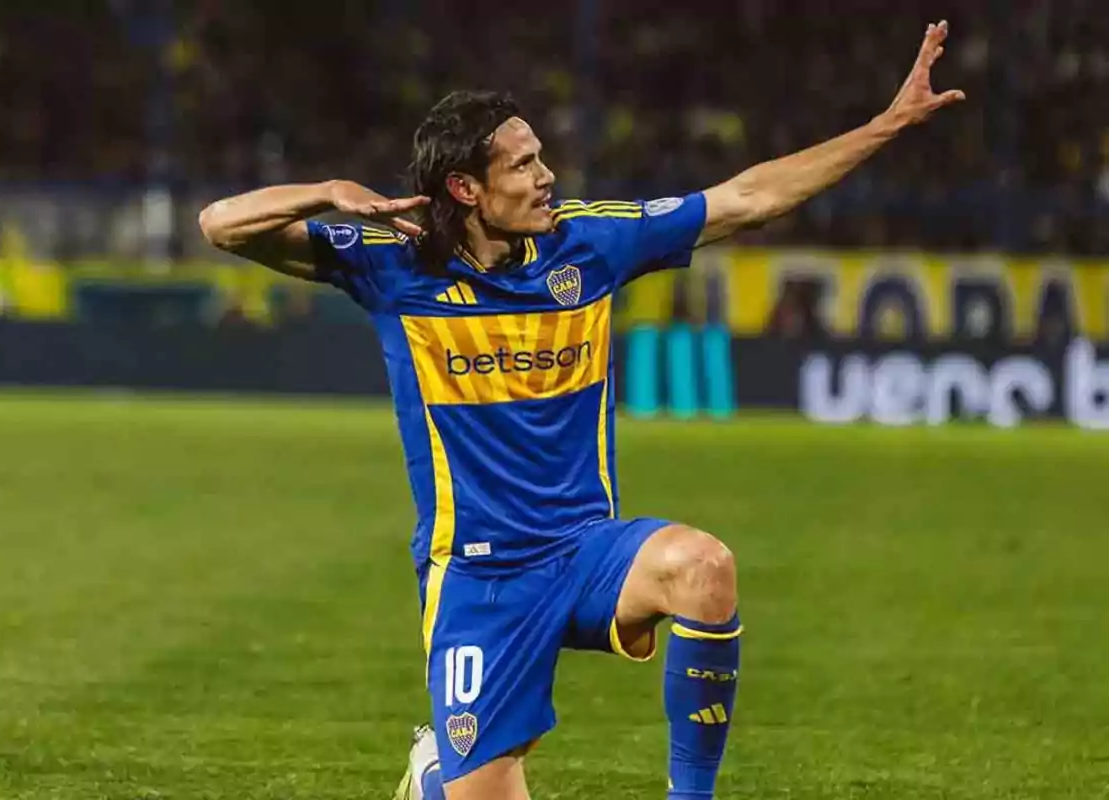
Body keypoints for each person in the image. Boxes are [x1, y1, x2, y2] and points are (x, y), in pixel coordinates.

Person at [199, 21, 963, 800]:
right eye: (523, 164)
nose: (546, 176)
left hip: (585, 550)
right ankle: (438, 773)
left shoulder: (588, 246)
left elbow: (749, 197)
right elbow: (220, 225)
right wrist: (330, 193)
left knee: (704, 568)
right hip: (479, 579)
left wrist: (886, 124)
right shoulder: (393, 264)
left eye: (540, 157)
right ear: (466, 189)